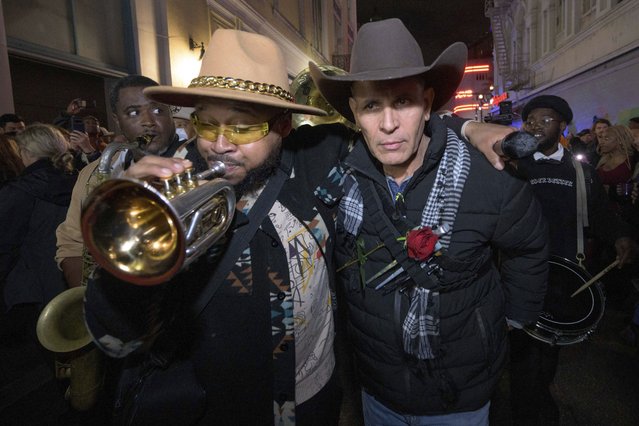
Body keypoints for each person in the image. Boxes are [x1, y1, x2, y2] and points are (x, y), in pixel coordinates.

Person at [80, 26, 516, 426]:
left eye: (244, 127)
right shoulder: (168, 185)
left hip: (314, 402)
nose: (219, 143)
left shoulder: (316, 157)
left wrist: (469, 126)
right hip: (217, 407)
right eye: (206, 123)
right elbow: (117, 338)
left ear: (284, 126)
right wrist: (128, 234)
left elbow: (395, 121)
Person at [309, 18, 548, 425]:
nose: (387, 125)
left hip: (461, 392)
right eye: (370, 106)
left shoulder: (489, 175)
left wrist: (510, 320)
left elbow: (529, 247)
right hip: (377, 387)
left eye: (403, 101)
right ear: (353, 111)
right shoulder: (338, 171)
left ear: (428, 102)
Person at [510, 94, 637, 425]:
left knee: (548, 350)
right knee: (522, 351)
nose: (535, 125)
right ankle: (530, 409)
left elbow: (600, 213)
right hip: (521, 272)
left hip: (566, 275)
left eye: (545, 120)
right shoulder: (517, 166)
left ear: (563, 126)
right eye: (530, 120)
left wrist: (621, 236)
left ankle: (536, 399)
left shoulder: (582, 172)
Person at [55, 75, 188, 288]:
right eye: (133, 113)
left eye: (157, 110)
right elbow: (72, 243)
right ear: (117, 121)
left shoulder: (197, 161)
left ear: (170, 113)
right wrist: (82, 296)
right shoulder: (93, 173)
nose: (148, 122)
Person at [0, 124, 77, 423]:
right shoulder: (77, 181)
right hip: (69, 283)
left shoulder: (18, 191)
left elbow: (4, 247)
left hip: (33, 294)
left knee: (53, 370)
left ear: (28, 152)